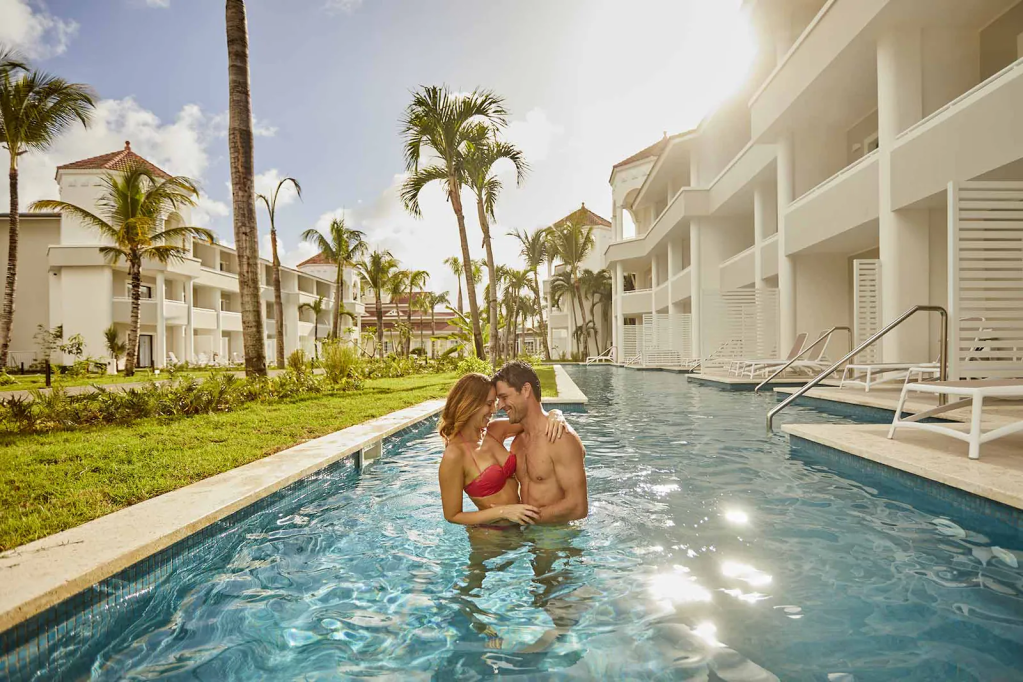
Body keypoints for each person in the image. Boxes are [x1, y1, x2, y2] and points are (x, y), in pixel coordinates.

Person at [437, 372, 567, 528]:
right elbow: (452, 515)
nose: (494, 409)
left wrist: (556, 414)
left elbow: (534, 420)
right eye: (489, 403)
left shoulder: (494, 430)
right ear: (470, 404)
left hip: (523, 526)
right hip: (492, 537)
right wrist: (503, 512)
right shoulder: (455, 454)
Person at [493, 361, 588, 524]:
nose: (499, 406)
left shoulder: (560, 438)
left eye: (504, 397)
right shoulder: (518, 441)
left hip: (556, 538)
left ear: (525, 390)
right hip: (528, 531)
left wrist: (519, 520)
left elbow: (578, 506)